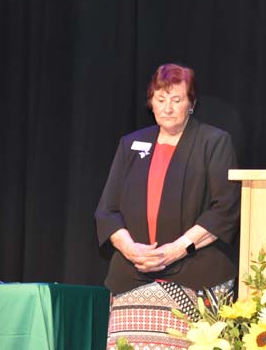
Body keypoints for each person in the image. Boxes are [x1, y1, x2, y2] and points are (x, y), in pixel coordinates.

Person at [95, 63, 240, 350]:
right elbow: (107, 212)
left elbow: (224, 209)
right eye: (160, 99)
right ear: (151, 102)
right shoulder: (131, 144)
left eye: (177, 99)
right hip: (133, 276)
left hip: (197, 274)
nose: (168, 108)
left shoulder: (214, 141)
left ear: (192, 103)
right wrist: (131, 249)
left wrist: (176, 249)